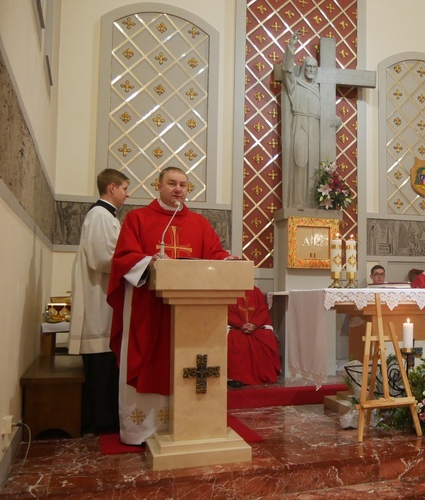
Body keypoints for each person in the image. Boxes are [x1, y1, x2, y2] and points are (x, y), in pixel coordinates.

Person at [107, 167, 242, 445]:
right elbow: (123, 258)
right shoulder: (137, 219)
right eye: (171, 183)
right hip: (149, 309)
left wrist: (226, 260)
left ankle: (190, 423)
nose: (177, 189)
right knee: (150, 361)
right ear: (159, 186)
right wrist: (150, 262)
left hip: (190, 314)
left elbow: (214, 253)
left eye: (183, 185)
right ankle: (143, 429)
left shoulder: (200, 224)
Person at [68, 168, 129, 434]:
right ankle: (102, 422)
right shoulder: (101, 215)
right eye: (125, 188)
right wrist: (133, 259)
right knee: (102, 366)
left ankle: (103, 418)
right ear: (112, 188)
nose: (128, 194)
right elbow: (102, 258)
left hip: (103, 298)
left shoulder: (105, 216)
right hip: (99, 301)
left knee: (105, 364)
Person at [281, 31, 340, 209]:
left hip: (315, 126)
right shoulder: (295, 85)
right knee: (300, 160)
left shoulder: (321, 91)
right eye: (308, 67)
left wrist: (337, 120)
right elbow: (286, 70)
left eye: (314, 68)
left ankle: (311, 201)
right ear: (303, 67)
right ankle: (297, 200)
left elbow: (328, 113)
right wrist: (291, 47)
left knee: (314, 165)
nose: (311, 70)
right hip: (299, 124)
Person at [226, 286, 281, 387]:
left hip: (255, 327)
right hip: (237, 328)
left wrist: (254, 324)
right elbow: (226, 312)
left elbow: (263, 311)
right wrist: (240, 325)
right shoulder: (229, 291)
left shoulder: (256, 291)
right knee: (236, 340)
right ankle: (237, 377)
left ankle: (264, 375)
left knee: (266, 337)